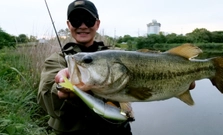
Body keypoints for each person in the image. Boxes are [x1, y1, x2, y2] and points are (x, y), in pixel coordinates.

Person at [38, 0, 196, 134]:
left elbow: (149, 72)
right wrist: (60, 87)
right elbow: (46, 99)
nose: (83, 25)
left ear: (97, 24)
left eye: (89, 20)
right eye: (76, 20)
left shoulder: (118, 56)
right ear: (69, 25)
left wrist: (179, 80)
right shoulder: (57, 60)